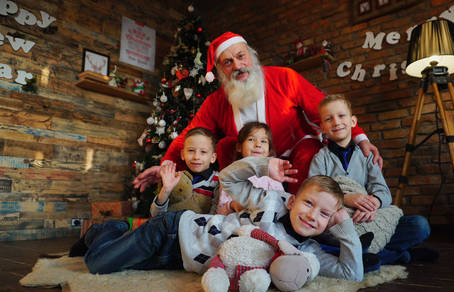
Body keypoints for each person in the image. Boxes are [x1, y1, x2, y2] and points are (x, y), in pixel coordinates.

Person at [133, 31, 382, 195]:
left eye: (241, 56)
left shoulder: (285, 77)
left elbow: (326, 109)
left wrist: (361, 138)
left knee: (309, 150)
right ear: (220, 70)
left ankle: (299, 217)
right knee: (226, 145)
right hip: (249, 162)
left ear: (250, 56)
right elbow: (191, 135)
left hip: (293, 152)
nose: (237, 66)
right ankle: (239, 210)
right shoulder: (216, 101)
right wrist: (165, 164)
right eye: (227, 62)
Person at [71, 156, 366, 282]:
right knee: (96, 265)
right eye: (309, 203)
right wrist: (263, 166)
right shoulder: (270, 202)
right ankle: (111, 227)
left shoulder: (307, 254)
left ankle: (113, 235)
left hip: (178, 261)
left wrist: (345, 225)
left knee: (116, 264)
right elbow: (226, 178)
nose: (313, 215)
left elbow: (352, 274)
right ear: (292, 201)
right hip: (173, 230)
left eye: (324, 213)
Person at [309, 94, 438, 265]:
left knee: (420, 225)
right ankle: (393, 255)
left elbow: (383, 191)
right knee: (319, 237)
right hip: (341, 221)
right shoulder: (321, 158)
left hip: (369, 217)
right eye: (328, 118)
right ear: (322, 128)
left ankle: (368, 256)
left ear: (353, 122)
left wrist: (373, 203)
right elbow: (314, 192)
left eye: (341, 116)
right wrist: (346, 198)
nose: (336, 122)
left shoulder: (366, 155)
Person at [216, 121, 284, 215]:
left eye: (263, 141)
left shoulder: (272, 177)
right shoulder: (231, 174)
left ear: (269, 151)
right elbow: (220, 211)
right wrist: (232, 206)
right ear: (239, 147)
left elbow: (281, 204)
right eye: (251, 139)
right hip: (235, 222)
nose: (258, 145)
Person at [150, 127, 219, 216]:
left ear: (213, 158)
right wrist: (166, 190)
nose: (196, 157)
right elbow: (155, 214)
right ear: (183, 154)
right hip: (173, 226)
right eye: (191, 150)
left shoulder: (218, 181)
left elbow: (216, 215)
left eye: (203, 152)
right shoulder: (176, 178)